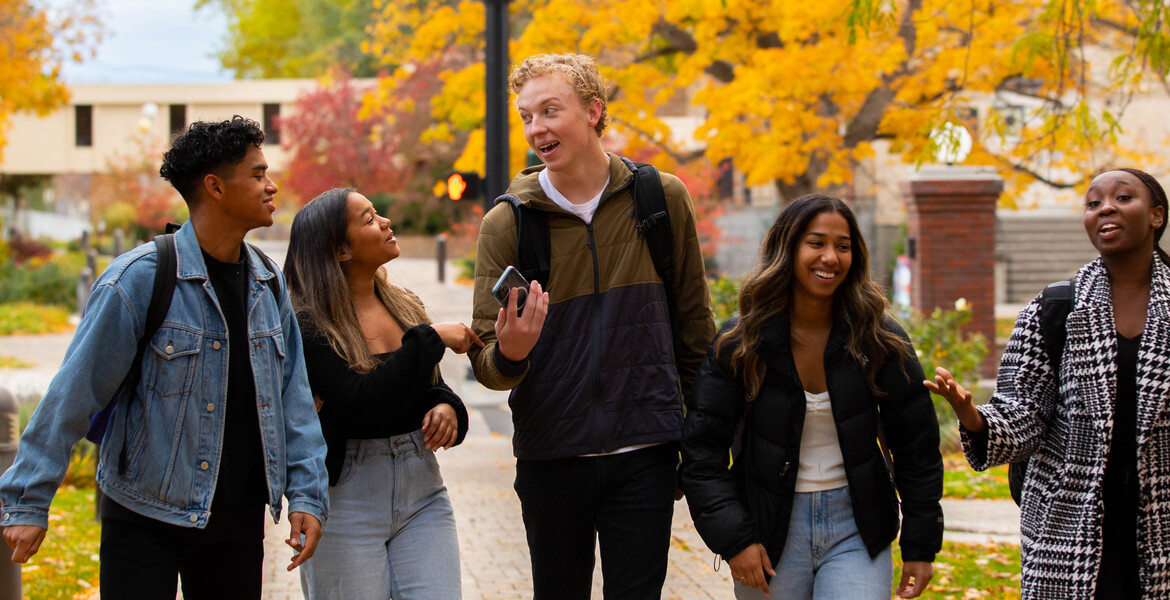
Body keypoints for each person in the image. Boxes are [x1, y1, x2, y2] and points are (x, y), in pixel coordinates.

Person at [0, 116, 330, 598]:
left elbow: (293, 398)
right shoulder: (138, 278)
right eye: (258, 173)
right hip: (143, 514)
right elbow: (74, 392)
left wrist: (307, 492)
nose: (272, 185)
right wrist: (29, 500)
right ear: (215, 187)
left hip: (236, 520)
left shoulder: (267, 281)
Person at [467, 52, 715, 599]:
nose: (537, 128)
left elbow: (695, 328)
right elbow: (486, 362)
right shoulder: (508, 222)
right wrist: (510, 353)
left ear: (593, 111)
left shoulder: (661, 199)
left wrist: (698, 441)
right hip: (552, 455)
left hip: (645, 451)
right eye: (527, 116)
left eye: (550, 110)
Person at [679, 195, 943, 600]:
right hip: (768, 530)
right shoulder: (742, 341)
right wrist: (734, 540)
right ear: (789, 247)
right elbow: (702, 453)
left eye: (843, 246)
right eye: (816, 243)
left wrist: (920, 544)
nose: (831, 258)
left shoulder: (878, 337)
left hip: (857, 526)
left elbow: (916, 447)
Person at [928, 167, 1170, 600]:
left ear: (1156, 215)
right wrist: (976, 418)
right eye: (1093, 203)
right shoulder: (1054, 308)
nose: (1106, 208)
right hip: (1068, 527)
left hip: (1160, 528)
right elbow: (1023, 415)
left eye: (1122, 197)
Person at [283, 187, 480, 599]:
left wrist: (447, 406)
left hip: (422, 486)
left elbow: (426, 388)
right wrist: (432, 338)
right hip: (345, 497)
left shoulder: (403, 304)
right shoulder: (309, 324)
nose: (386, 221)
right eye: (370, 219)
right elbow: (362, 400)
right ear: (340, 250)